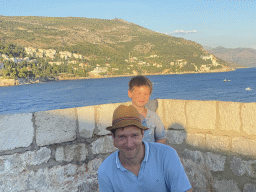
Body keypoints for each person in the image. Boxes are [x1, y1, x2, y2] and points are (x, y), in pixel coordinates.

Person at [98, 105, 192, 192]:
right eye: (122, 137)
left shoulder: (166, 155)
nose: (129, 144)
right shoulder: (106, 170)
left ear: (143, 134)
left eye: (134, 135)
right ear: (113, 138)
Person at [128, 75, 166, 143]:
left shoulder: (153, 117)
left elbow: (161, 137)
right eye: (138, 93)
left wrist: (153, 150)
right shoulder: (124, 116)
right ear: (130, 93)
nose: (142, 97)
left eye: (146, 94)